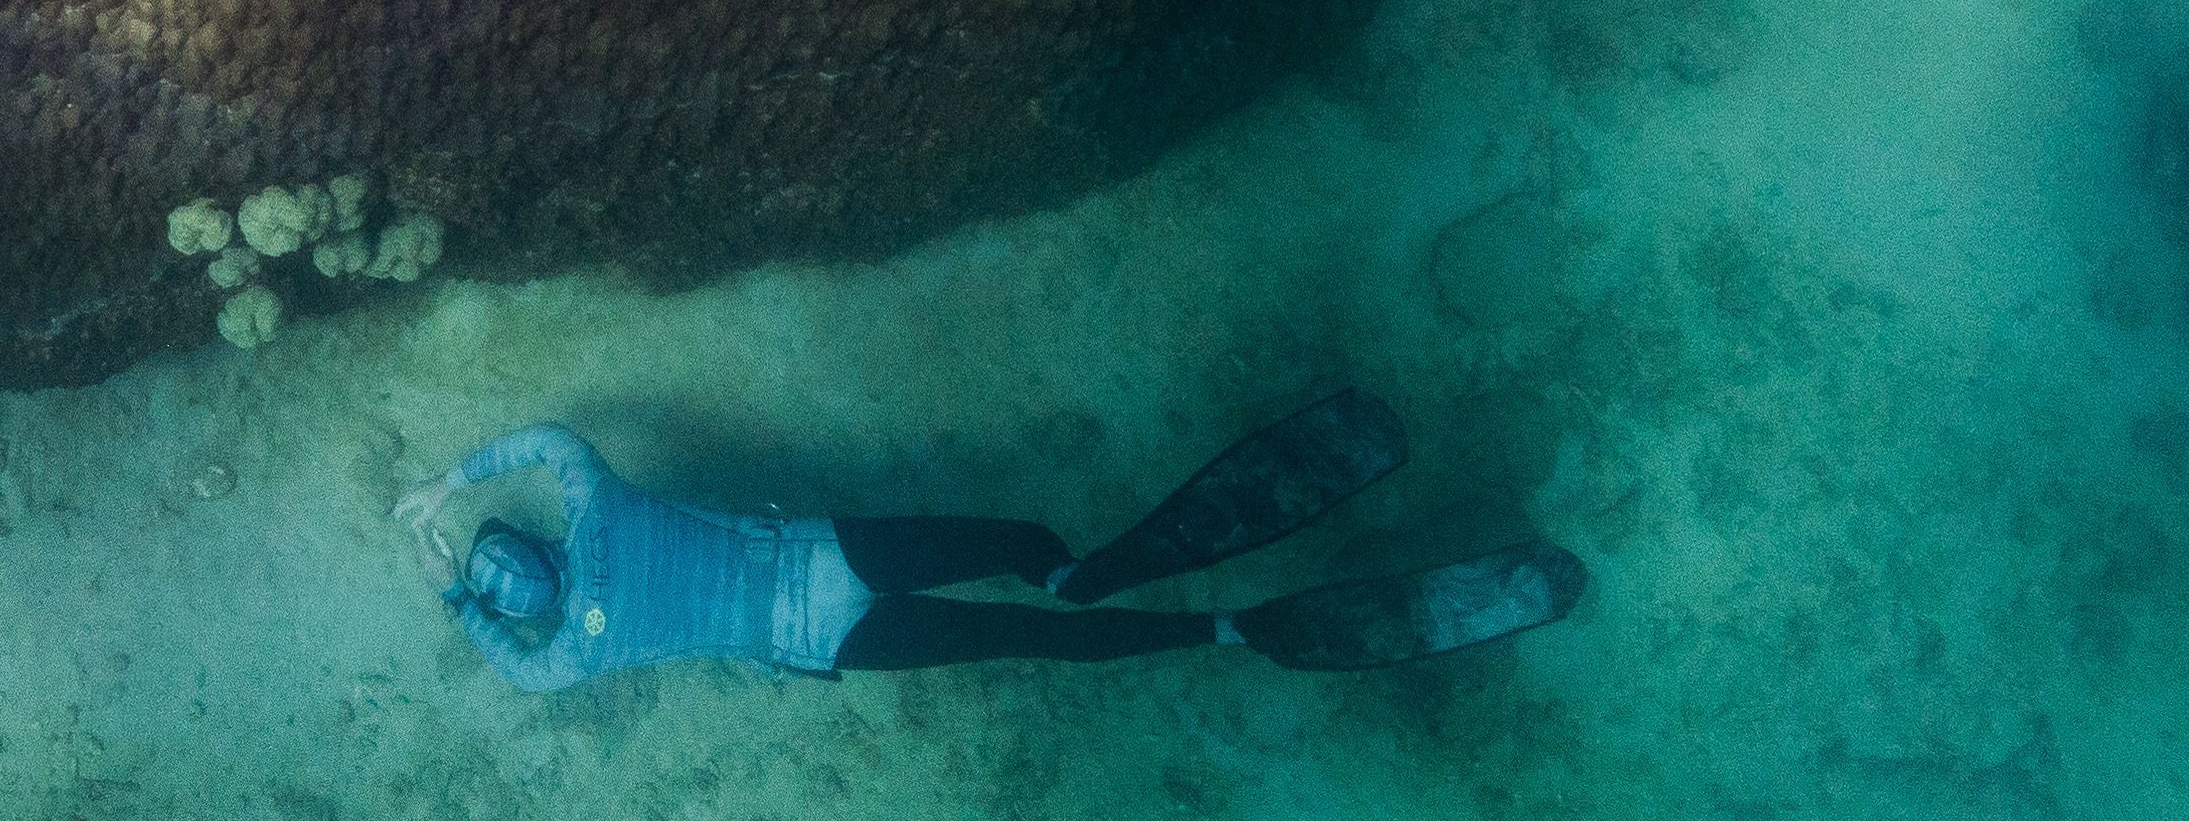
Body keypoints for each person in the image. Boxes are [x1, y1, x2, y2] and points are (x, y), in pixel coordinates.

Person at [390, 390, 1583, 688]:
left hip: (828, 606)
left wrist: (455, 584)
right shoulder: (587, 524)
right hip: (832, 580)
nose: (509, 568)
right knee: (1024, 583)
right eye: (505, 570)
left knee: (1024, 604)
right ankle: (1145, 591)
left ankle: (1182, 609)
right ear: (530, 558)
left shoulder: (575, 630)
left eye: (499, 562)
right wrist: (450, 505)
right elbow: (544, 443)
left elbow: (519, 663)